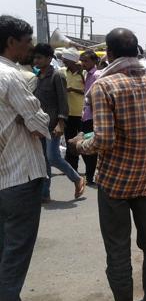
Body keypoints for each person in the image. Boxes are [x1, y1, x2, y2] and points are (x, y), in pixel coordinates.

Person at [70, 28, 146, 301]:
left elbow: (104, 139)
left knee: (118, 250)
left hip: (114, 184)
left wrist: (79, 144)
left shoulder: (104, 87)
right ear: (137, 51)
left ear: (110, 53)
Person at [0, 15, 50, 301]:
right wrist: (29, 120)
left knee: (4, 250)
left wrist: (26, 120)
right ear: (10, 42)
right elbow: (41, 124)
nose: (30, 47)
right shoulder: (12, 77)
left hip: (6, 176)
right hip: (20, 176)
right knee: (15, 256)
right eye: (27, 41)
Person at [33, 43, 85, 202]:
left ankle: (76, 178)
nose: (36, 60)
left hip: (54, 124)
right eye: (35, 57)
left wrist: (61, 123)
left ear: (49, 58)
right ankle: (45, 193)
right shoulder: (37, 77)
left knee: (53, 157)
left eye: (40, 57)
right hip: (41, 124)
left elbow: (63, 102)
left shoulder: (57, 75)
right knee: (43, 160)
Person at [60, 48, 88, 179]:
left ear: (72, 60)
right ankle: (71, 168)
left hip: (81, 113)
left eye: (66, 60)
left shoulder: (84, 74)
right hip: (68, 112)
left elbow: (87, 92)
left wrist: (73, 89)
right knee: (69, 140)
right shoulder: (61, 72)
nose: (63, 62)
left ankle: (90, 170)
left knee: (83, 140)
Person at [79, 50, 101, 186]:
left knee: (90, 147)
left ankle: (90, 175)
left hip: (93, 117)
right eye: (82, 61)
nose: (83, 63)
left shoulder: (97, 75)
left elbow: (96, 96)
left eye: (86, 61)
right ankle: (90, 174)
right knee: (86, 146)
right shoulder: (86, 74)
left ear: (94, 61)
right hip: (86, 115)